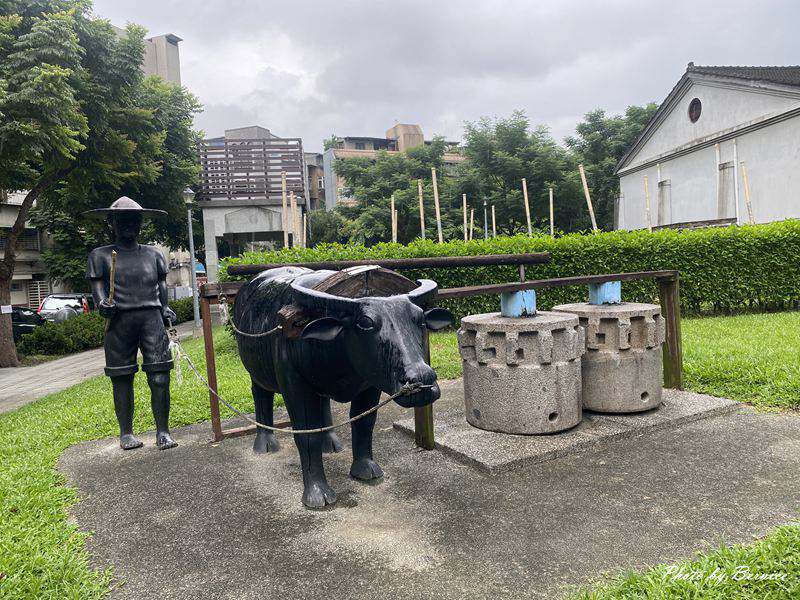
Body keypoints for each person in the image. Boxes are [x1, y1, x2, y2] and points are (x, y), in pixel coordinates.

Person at [85, 197, 178, 450]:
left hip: (152, 320)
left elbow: (161, 287)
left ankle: (163, 431)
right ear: (112, 222)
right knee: (122, 377)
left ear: (141, 223)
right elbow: (98, 290)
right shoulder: (101, 256)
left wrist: (165, 308)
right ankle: (126, 433)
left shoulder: (154, 254)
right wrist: (103, 304)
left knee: (160, 376)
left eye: (134, 220)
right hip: (120, 322)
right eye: (123, 220)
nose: (129, 225)